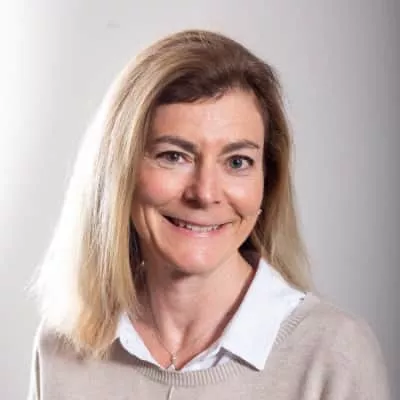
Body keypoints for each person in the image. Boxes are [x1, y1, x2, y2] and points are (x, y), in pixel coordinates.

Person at [28, 29, 389, 399]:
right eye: (174, 156)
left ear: (267, 181)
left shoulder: (333, 355)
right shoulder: (63, 346)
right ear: (120, 172)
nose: (205, 193)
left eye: (237, 162)